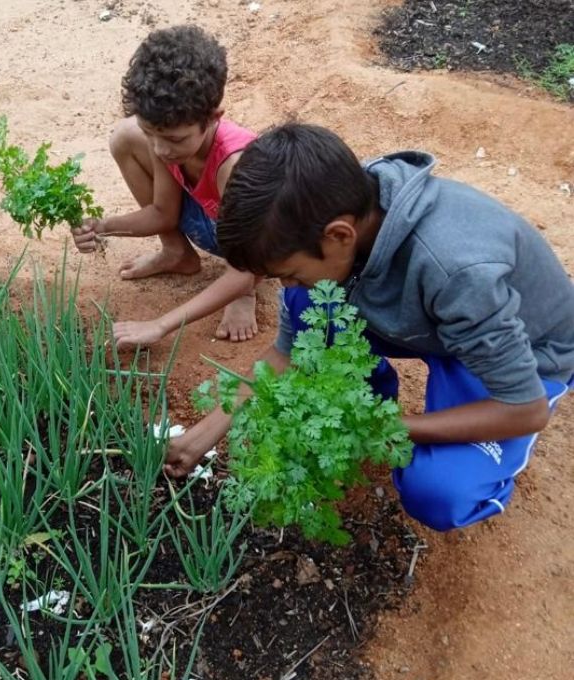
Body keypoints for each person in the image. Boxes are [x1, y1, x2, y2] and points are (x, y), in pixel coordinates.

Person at [165, 122, 574, 532]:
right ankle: (373, 391)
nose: (285, 285)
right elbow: (286, 353)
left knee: (439, 492)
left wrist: (375, 427)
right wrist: (206, 432)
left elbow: (524, 409)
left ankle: (483, 471)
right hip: (434, 324)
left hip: (523, 356)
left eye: (289, 272)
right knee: (308, 301)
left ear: (339, 235)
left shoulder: (457, 271)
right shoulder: (335, 208)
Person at [71, 25, 260, 345]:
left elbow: (247, 264)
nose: (160, 150)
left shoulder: (234, 166)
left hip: (249, 246)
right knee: (123, 136)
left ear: (214, 117)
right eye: (152, 134)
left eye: (174, 139)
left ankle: (244, 297)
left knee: (244, 277)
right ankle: (176, 252)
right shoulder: (165, 140)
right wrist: (100, 227)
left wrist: (159, 325)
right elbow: (162, 213)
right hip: (207, 218)